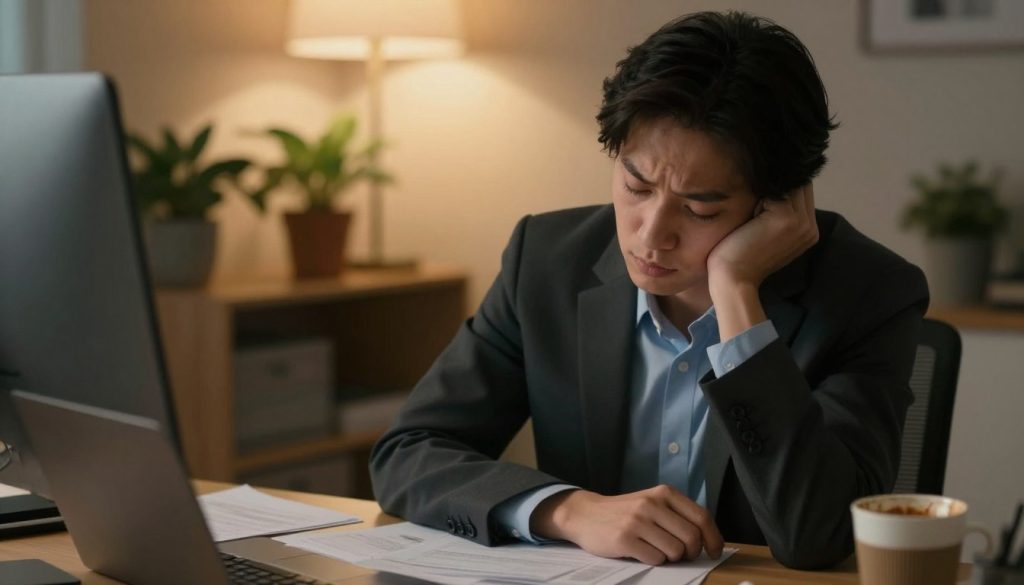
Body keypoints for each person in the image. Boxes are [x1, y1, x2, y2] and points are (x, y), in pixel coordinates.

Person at [369, 10, 928, 570]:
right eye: (636, 185)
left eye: (700, 207)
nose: (651, 234)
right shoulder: (545, 261)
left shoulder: (869, 294)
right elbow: (409, 452)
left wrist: (737, 294)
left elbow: (819, 535)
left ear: (774, 204)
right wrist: (568, 510)